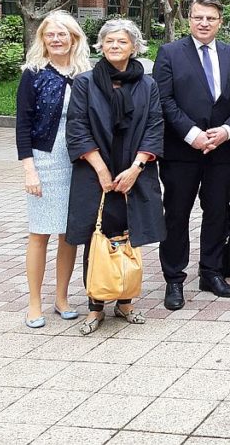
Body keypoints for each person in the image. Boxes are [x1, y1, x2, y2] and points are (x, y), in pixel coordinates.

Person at [153, 0, 230, 311]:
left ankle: (211, 272)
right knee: (177, 216)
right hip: (182, 151)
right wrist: (192, 134)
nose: (204, 23)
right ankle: (174, 279)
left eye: (210, 18)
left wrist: (227, 131)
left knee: (217, 212)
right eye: (198, 17)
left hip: (222, 151)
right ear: (189, 19)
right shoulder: (169, 53)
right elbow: (164, 100)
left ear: (221, 22)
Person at [65, 19, 163, 335]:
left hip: (133, 171)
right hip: (96, 173)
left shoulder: (148, 85)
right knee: (95, 237)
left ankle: (125, 302)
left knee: (128, 235)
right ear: (100, 46)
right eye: (109, 41)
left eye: (121, 41)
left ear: (134, 46)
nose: (115, 46)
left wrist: (136, 168)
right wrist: (101, 169)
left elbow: (154, 126)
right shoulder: (85, 83)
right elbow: (77, 126)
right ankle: (95, 307)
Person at [16, 11, 92, 328]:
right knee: (39, 234)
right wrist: (29, 170)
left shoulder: (85, 74)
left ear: (74, 38)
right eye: (51, 35)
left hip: (78, 159)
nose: (57, 40)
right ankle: (35, 303)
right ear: (43, 39)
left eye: (63, 34)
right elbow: (22, 126)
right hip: (45, 159)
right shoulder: (33, 74)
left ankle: (61, 298)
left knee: (69, 235)